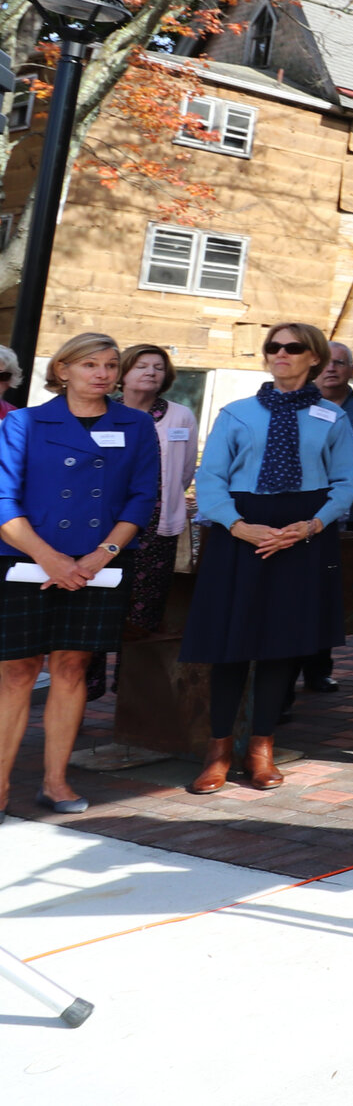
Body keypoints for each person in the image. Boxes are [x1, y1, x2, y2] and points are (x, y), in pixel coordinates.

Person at [182, 321, 353, 793]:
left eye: (293, 347)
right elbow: (212, 477)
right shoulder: (236, 414)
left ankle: (261, 748)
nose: (280, 353)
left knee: (283, 644)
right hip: (240, 530)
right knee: (230, 644)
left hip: (303, 533)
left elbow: (345, 483)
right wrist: (239, 526)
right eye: (273, 347)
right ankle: (218, 750)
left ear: (314, 358)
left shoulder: (333, 418)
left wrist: (312, 525)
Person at [0, 335, 159, 815]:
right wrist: (51, 560)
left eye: (111, 365)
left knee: (70, 669)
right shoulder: (25, 422)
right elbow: (4, 500)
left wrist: (99, 556)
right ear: (62, 369)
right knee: (16, 673)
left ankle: (55, 781)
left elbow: (141, 498)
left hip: (99, 566)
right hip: (25, 559)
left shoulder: (134, 424)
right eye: (90, 364)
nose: (103, 373)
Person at [293, 342, 353, 698]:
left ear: (352, 368)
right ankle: (285, 669)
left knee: (332, 596)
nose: (333, 369)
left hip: (349, 516)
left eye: (341, 363)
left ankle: (319, 670)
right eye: (327, 363)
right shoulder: (297, 401)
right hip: (300, 516)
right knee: (297, 595)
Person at [113, 344, 195, 643]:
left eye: (158, 368)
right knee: (100, 606)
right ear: (122, 372)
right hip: (107, 526)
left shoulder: (180, 416)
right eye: (141, 366)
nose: (151, 372)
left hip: (158, 528)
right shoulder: (105, 412)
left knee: (144, 616)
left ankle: (131, 687)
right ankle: (89, 686)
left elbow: (184, 472)